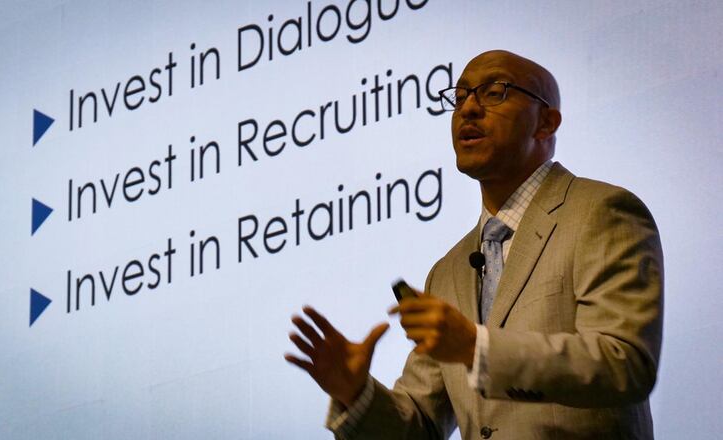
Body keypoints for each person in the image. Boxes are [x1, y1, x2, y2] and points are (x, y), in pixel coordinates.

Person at [284, 50, 663, 439]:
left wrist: (476, 348)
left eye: (494, 92)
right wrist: (356, 394)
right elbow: (420, 427)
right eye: (460, 96)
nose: (468, 109)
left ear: (546, 123)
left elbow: (624, 365)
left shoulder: (600, 213)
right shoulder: (448, 272)